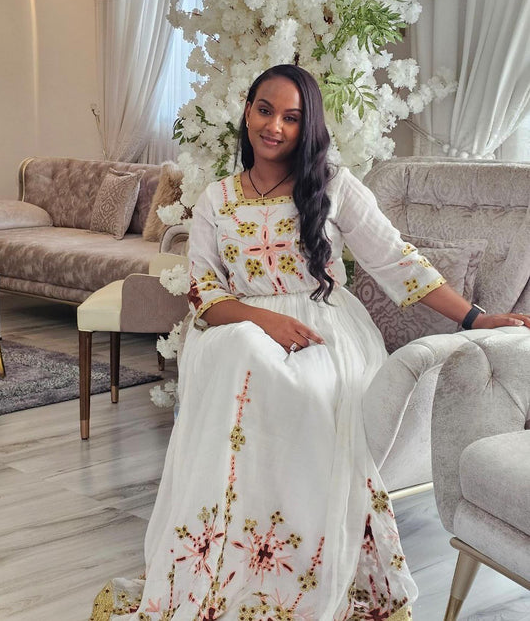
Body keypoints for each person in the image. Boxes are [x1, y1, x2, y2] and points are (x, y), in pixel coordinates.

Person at [91, 64, 530, 621]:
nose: (274, 126)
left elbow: (397, 262)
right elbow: (204, 291)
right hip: (238, 326)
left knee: (286, 381)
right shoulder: (217, 200)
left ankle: (295, 570)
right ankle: (228, 563)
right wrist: (261, 321)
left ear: (309, 126)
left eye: (291, 117)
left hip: (325, 331)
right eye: (264, 110)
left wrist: (474, 318)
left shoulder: (334, 187)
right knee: (239, 352)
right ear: (247, 111)